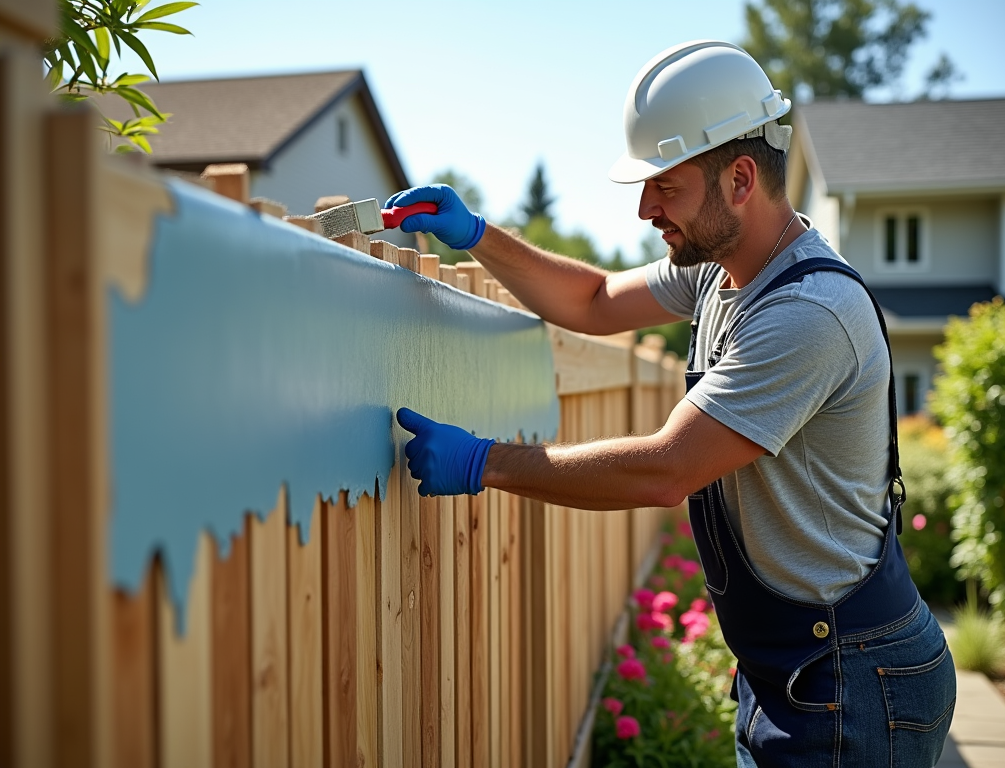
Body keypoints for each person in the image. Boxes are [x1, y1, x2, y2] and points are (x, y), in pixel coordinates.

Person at [391, 41, 955, 767]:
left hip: (853, 680)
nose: (644, 207)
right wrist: (475, 237)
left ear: (741, 179)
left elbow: (666, 469)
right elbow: (593, 300)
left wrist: (486, 462)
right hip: (797, 664)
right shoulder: (722, 273)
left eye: (665, 185)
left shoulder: (808, 313)